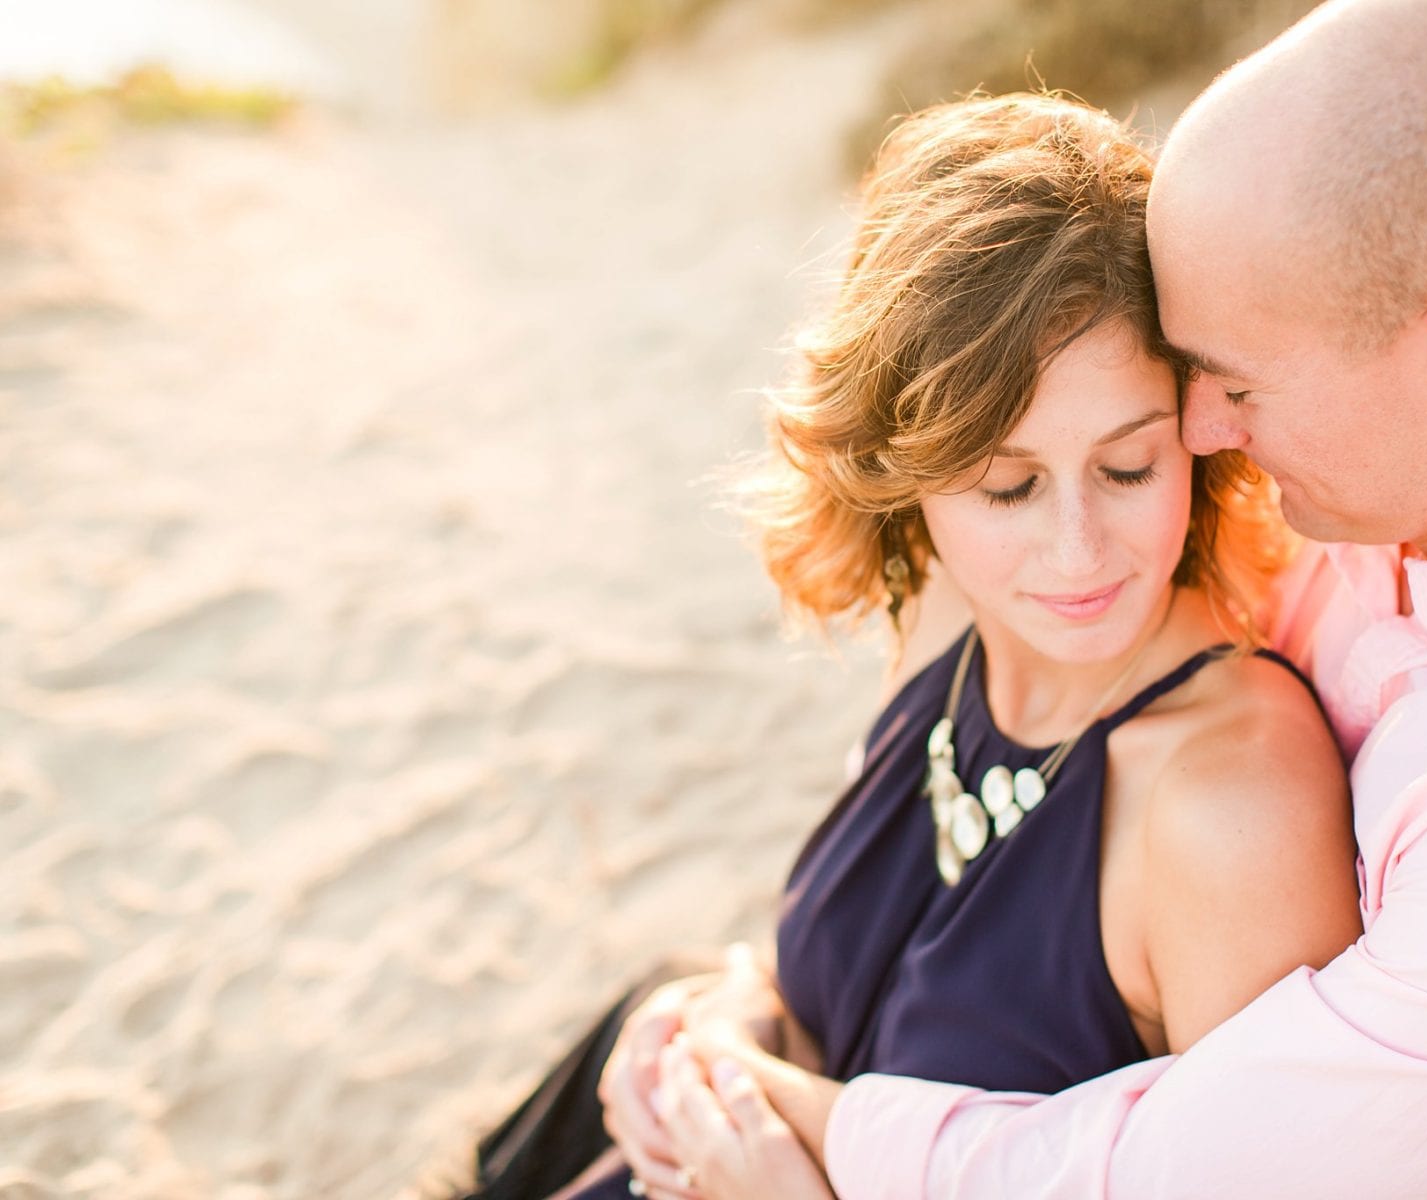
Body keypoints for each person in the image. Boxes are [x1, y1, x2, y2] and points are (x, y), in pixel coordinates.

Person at [660, 0, 1427, 1196]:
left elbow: (1188, 1169)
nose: (1204, 435)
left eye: (1235, 387)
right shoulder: (1370, 500)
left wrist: (806, 1141)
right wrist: (712, 1032)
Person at [453, 92, 1361, 1200]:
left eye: (1130, 467)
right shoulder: (949, 608)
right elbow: (874, 996)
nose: (1077, 553)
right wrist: (738, 1015)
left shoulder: (1229, 805)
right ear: (907, 471)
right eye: (1005, 487)